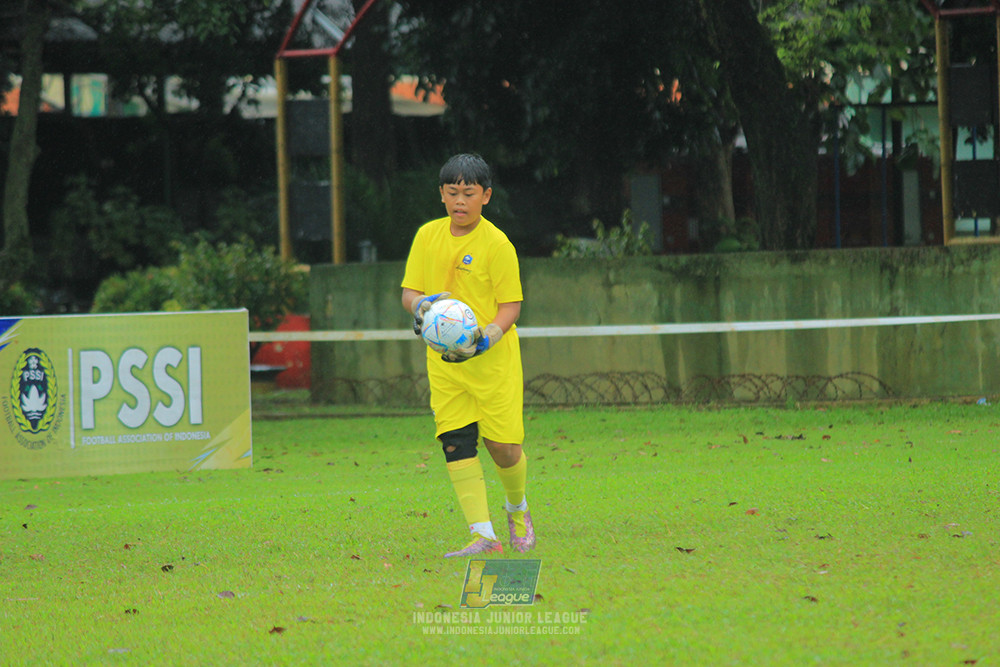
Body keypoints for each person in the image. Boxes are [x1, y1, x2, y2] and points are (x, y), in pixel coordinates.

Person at [400, 153, 535, 558]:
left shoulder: (497, 245)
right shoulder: (427, 236)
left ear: (486, 196)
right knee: (456, 442)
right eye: (453, 192)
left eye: (469, 193)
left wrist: (487, 338)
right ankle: (484, 536)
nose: (460, 201)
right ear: (441, 194)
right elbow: (409, 294)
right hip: (445, 365)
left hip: (492, 363)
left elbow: (511, 306)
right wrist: (422, 308)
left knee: (502, 447)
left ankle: (517, 509)